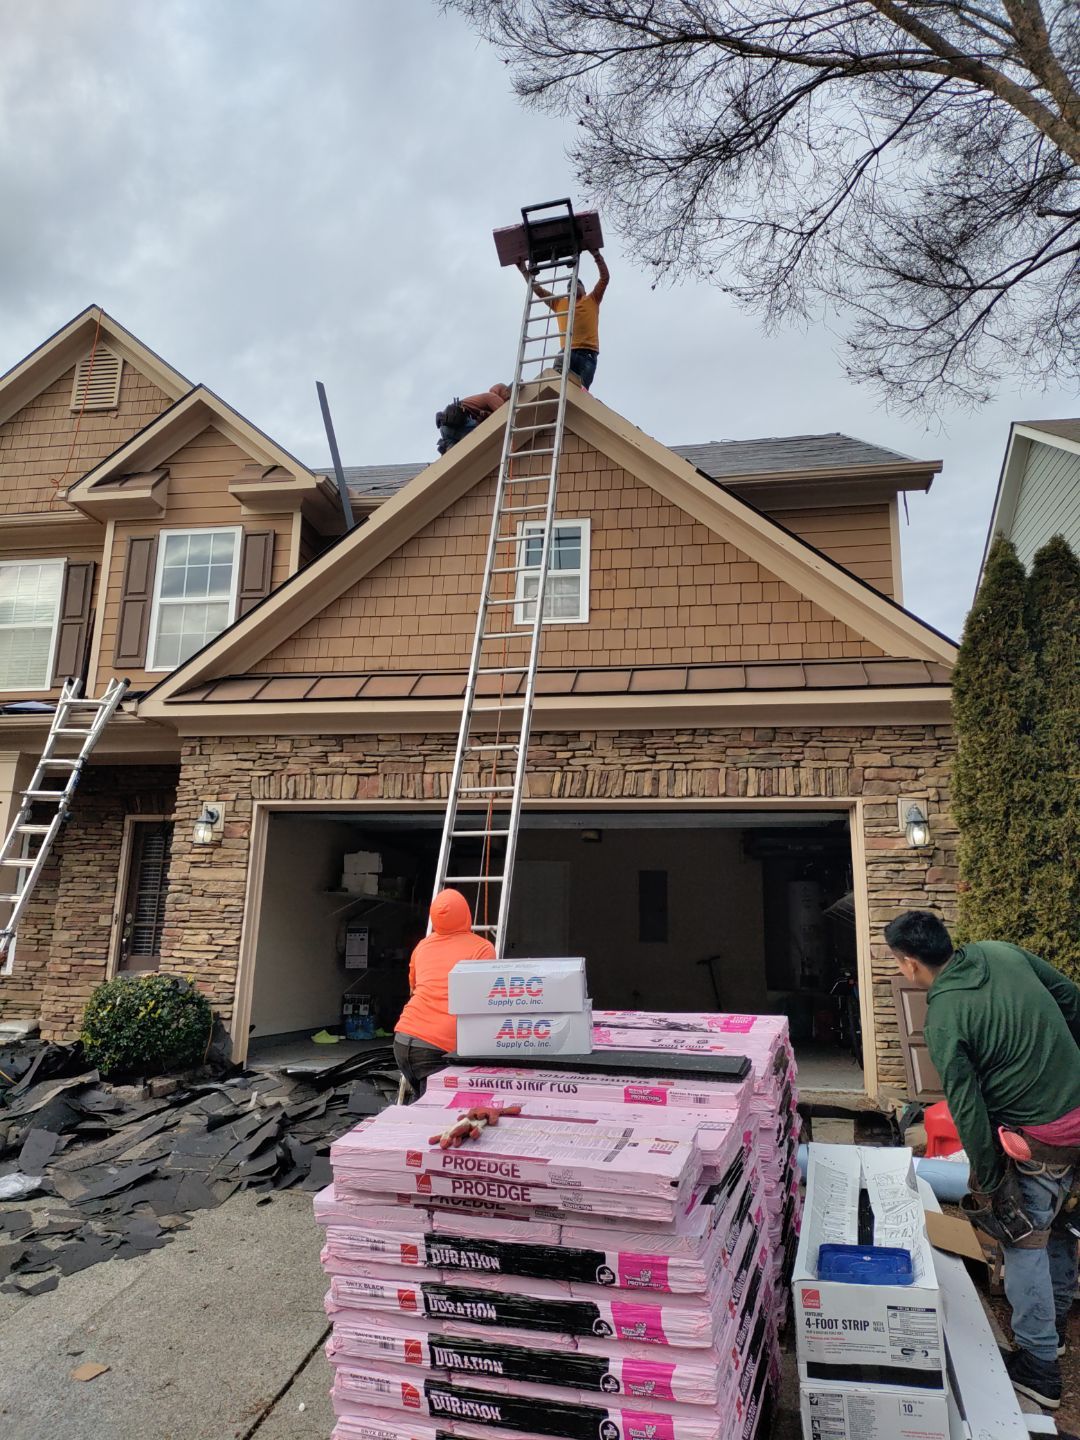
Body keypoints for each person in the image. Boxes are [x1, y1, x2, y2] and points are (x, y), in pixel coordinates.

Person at [885, 910, 1080, 1410]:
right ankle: (1053, 1330)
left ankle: (1040, 1369)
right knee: (1058, 1223)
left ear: (909, 965)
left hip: (1041, 1136)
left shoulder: (945, 1016)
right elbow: (1071, 999)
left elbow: (968, 1109)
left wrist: (991, 1184)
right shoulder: (1000, 951)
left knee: (1024, 1239)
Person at [394, 888, 495, 1097]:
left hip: (403, 1041)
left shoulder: (422, 946)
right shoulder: (482, 948)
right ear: (467, 914)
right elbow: (486, 1000)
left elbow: (413, 988)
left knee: (424, 1106)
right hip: (437, 1048)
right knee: (437, 1114)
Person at [516, 250, 609, 391]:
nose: (573, 286)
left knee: (581, 392)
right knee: (557, 378)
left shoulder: (592, 299)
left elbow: (604, 278)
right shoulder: (560, 302)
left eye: (577, 284)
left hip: (588, 354)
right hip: (568, 351)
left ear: (584, 290)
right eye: (570, 286)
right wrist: (523, 269)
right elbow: (538, 290)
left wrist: (596, 255)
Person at [436, 384, 511, 455]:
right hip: (460, 422)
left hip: (445, 427)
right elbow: (505, 413)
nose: (508, 398)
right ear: (504, 390)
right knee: (481, 431)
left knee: (452, 452)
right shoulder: (493, 397)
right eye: (507, 394)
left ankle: (445, 452)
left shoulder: (481, 398)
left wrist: (486, 415)